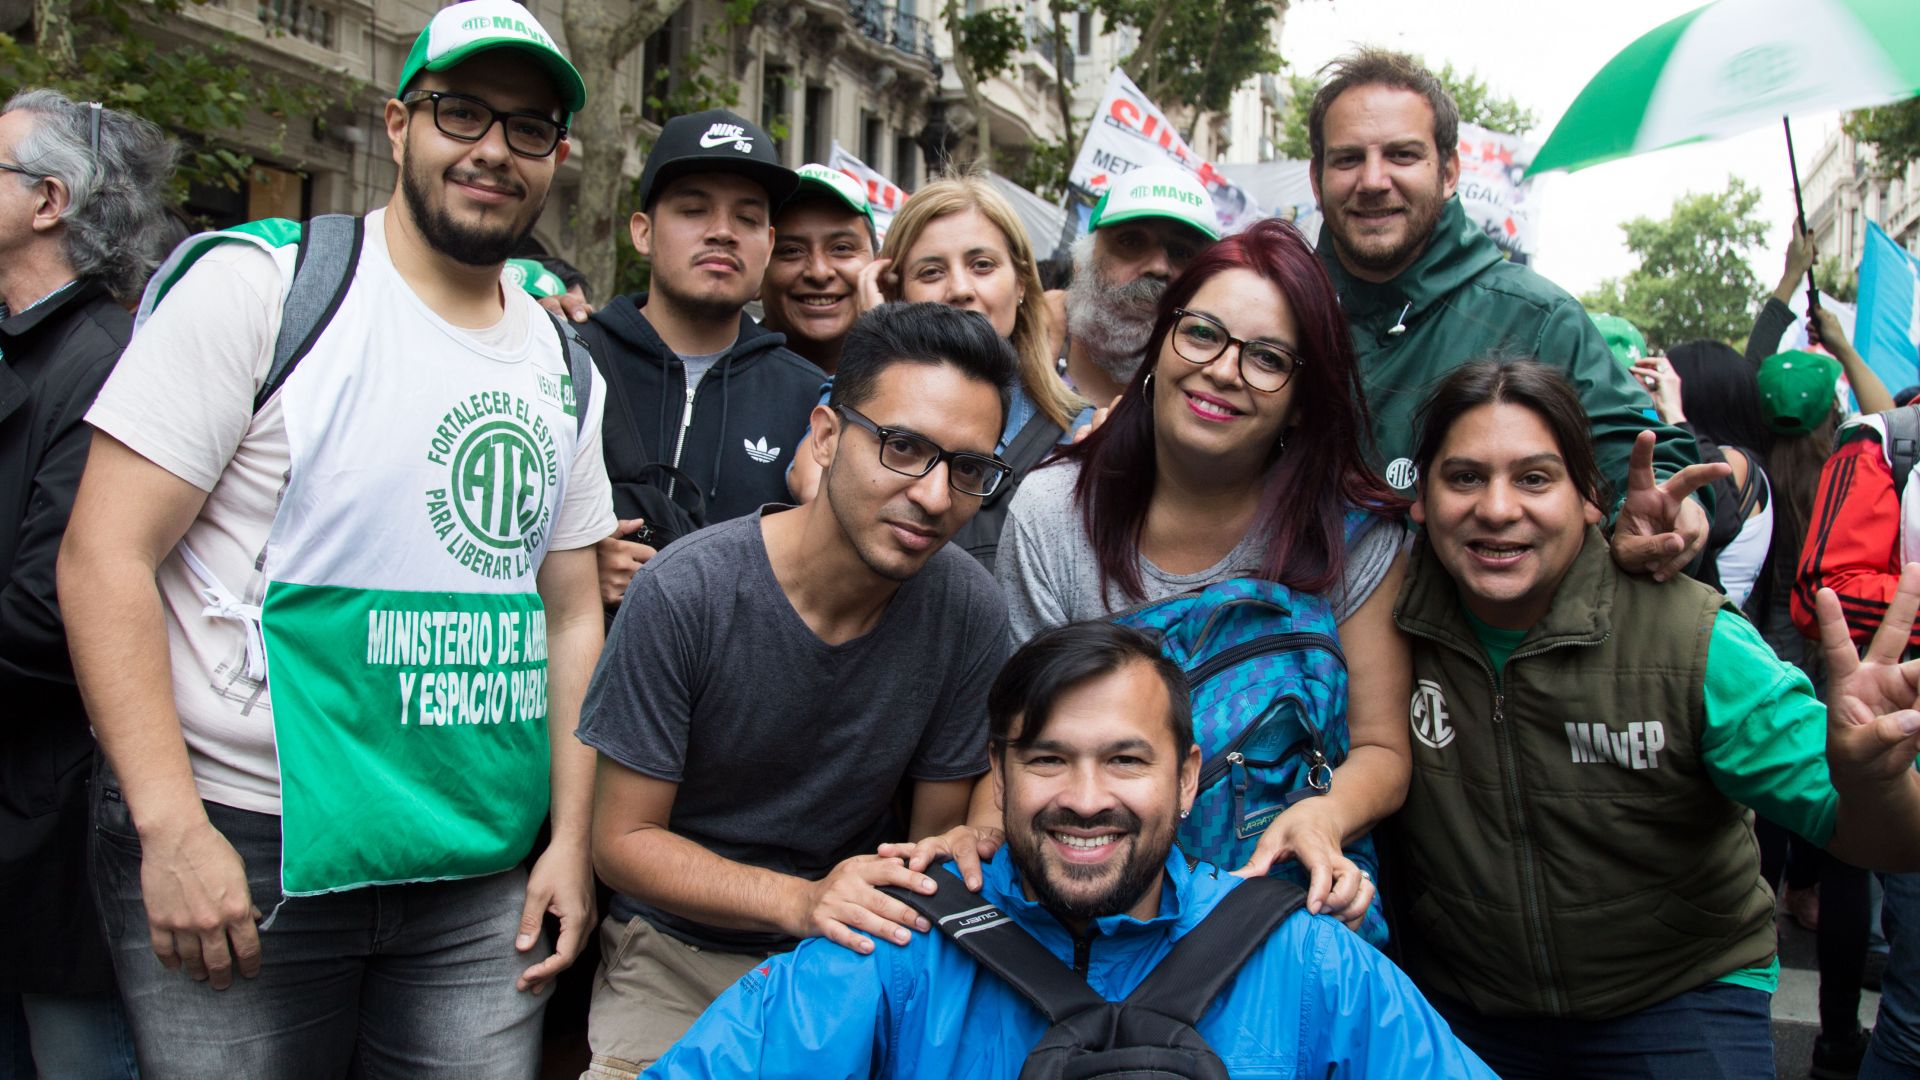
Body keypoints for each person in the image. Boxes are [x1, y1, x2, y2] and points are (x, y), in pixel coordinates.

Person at [56, 2, 614, 1074]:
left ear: (558, 159)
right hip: (245, 844)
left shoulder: (564, 365)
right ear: (400, 125)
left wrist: (570, 846)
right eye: (463, 112)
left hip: (473, 870)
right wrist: (170, 828)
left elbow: (572, 610)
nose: (494, 148)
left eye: (529, 127)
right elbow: (101, 557)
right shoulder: (260, 289)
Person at [639, 620, 1500, 1079]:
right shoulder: (895, 951)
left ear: (1188, 776)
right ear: (999, 774)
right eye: (1049, 759)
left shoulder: (1309, 962)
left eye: (1126, 760)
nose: (1086, 800)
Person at [1387, 358, 1920, 1078]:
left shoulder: (1691, 640)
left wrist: (1874, 782)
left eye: (1536, 478)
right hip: (1465, 1005)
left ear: (1589, 498)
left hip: (1676, 997)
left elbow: (1882, 839)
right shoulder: (1384, 620)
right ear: (1420, 498)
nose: (1498, 507)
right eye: (1465, 477)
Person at [575, 302, 1017, 1077]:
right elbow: (621, 844)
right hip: (680, 946)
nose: (936, 496)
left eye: (970, 469)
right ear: (825, 435)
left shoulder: (967, 609)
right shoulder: (689, 593)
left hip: (862, 948)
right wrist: (801, 900)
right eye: (903, 447)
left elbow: (930, 841)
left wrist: (966, 843)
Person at [989, 217, 1408, 938]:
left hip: (1279, 914)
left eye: (1268, 357)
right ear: (1162, 343)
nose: (1223, 370)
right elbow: (1024, 741)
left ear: (1303, 397)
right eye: (1203, 333)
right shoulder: (1051, 513)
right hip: (1086, 913)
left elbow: (1383, 750)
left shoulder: (1357, 537)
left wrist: (1321, 814)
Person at [1307, 47, 1709, 581]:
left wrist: (1659, 511)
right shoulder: (1273, 313)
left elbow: (1635, 459)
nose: (1374, 180)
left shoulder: (1540, 320)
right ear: (1317, 179)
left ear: (1449, 171)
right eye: (1348, 158)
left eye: (1402, 155)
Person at [0, 88, 174, 1080]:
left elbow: (42, 618)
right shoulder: (35, 345)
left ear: (49, 200)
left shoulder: (105, 363)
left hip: (60, 839)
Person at [583, 108, 821, 607]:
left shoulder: (813, 400)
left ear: (769, 244)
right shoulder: (570, 362)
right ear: (643, 231)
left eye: (748, 218)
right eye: (694, 210)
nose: (722, 232)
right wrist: (569, 572)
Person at [788, 173, 1086, 571]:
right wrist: (882, 341)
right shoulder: (857, 396)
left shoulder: (1080, 426)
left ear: (1020, 283)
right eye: (931, 272)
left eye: (982, 265)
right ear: (898, 292)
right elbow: (813, 486)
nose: (960, 288)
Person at [1050, 163, 1219, 408]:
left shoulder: (1214, 403)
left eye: (1182, 252)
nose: (1159, 267)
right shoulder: (1013, 366)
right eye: (1131, 241)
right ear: (1081, 264)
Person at [1633, 342, 1774, 607]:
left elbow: (1719, 519)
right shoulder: (1742, 456)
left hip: (1710, 621)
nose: (1657, 394)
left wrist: (1675, 416)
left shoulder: (1735, 460)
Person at [759, 163, 877, 375]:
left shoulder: (920, 380)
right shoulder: (711, 381)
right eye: (792, 251)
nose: (819, 273)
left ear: (879, 267)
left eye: (841, 248)